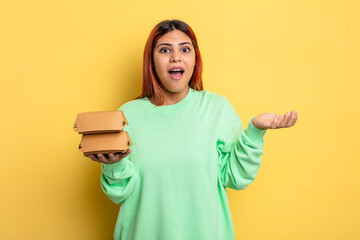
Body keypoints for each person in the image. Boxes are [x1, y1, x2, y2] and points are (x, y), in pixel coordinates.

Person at [84, 19, 298, 240]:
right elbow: (119, 193)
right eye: (165, 50)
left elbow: (236, 177)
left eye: (185, 49)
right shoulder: (127, 116)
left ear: (195, 60)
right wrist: (114, 164)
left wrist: (254, 131)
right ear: (151, 61)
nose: (175, 57)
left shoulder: (217, 109)